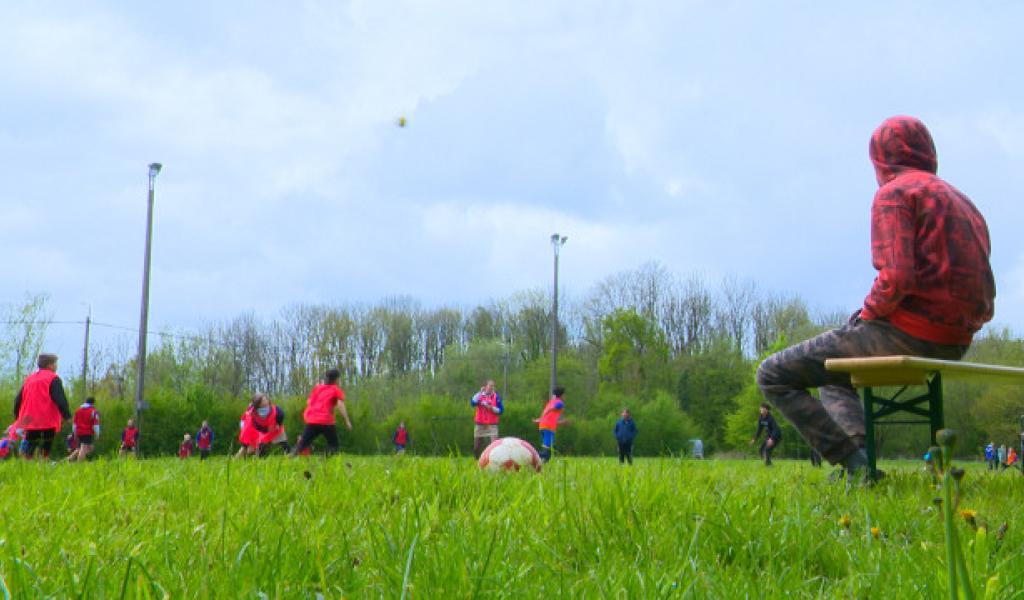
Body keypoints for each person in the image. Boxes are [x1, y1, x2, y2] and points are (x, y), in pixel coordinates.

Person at [756, 116, 995, 481]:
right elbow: (986, 288)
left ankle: (855, 466)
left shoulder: (896, 193)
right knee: (835, 375)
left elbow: (896, 277)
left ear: (880, 158)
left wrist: (867, 314)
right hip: (956, 342)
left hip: (907, 334)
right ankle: (860, 461)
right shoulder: (964, 203)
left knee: (773, 373)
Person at [13, 353, 72, 460]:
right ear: (50, 365)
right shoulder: (53, 378)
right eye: (55, 364)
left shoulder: (29, 379)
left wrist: (18, 417)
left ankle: (26, 465)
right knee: (46, 445)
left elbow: (18, 400)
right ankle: (43, 462)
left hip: (29, 418)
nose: (56, 366)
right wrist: (66, 415)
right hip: (46, 418)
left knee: (30, 444)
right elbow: (59, 398)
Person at [290, 369, 351, 457]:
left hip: (312, 419)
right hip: (326, 421)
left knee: (302, 444)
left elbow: (309, 401)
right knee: (334, 445)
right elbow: (340, 405)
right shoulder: (335, 389)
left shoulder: (318, 388)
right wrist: (347, 421)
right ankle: (322, 460)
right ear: (337, 379)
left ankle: (290, 457)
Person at [237, 394, 289, 458]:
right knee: (261, 445)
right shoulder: (253, 412)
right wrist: (264, 430)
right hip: (263, 431)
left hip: (276, 428)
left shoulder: (275, 409)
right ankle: (258, 457)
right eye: (263, 400)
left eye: (265, 399)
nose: (265, 401)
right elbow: (255, 424)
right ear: (258, 403)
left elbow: (281, 414)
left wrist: (278, 424)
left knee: (283, 442)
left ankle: (290, 454)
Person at [471, 380, 503, 458]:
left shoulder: (496, 396)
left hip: (492, 425)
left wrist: (492, 408)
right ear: (486, 386)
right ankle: (476, 460)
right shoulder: (480, 395)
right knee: (476, 447)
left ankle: (495, 460)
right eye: (490, 385)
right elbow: (472, 403)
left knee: (495, 446)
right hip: (480, 424)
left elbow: (501, 410)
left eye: (493, 386)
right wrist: (479, 392)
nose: (491, 388)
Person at [533, 387, 566, 463]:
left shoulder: (550, 402)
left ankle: (541, 464)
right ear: (562, 395)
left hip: (543, 426)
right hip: (548, 428)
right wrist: (550, 409)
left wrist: (538, 420)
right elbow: (553, 409)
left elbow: (548, 416)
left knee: (549, 451)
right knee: (547, 451)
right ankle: (530, 454)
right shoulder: (560, 403)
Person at [70, 397, 100, 462]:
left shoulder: (78, 410)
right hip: (87, 432)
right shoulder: (93, 411)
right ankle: (79, 464)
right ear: (93, 403)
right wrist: (97, 434)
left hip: (78, 432)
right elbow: (96, 425)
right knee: (84, 448)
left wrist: (74, 433)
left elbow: (74, 424)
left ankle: (69, 459)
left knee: (87, 448)